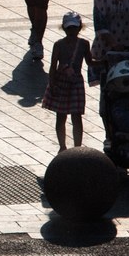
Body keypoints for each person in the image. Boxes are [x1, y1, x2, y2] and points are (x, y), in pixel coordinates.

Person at [43, 11, 94, 152]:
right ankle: (62, 146)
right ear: (64, 28)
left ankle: (76, 147)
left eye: (74, 28)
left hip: (73, 81)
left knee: (76, 115)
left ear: (79, 27)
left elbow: (89, 62)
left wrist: (104, 62)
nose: (72, 31)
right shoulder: (59, 45)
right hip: (64, 82)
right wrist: (52, 83)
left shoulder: (83, 44)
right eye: (69, 28)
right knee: (61, 116)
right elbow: (53, 66)